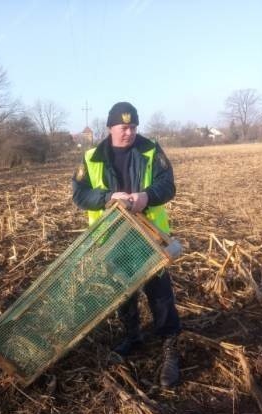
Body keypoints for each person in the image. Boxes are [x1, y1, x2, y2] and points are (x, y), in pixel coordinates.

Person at [72, 102, 181, 388]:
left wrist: (147, 197)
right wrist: (107, 198)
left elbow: (168, 185)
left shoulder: (151, 149)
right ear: (109, 127)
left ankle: (169, 346)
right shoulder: (92, 156)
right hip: (112, 236)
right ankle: (131, 336)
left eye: (133, 127)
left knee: (160, 293)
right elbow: (79, 195)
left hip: (150, 235)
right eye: (123, 128)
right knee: (123, 291)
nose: (129, 132)